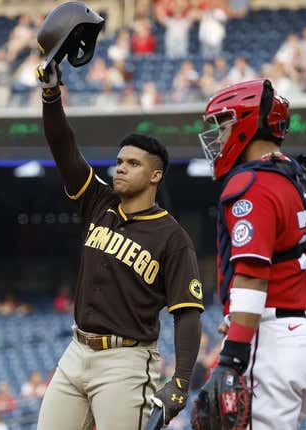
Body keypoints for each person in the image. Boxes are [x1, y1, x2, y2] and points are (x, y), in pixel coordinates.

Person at [34, 59, 204, 429]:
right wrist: (51, 95)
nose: (121, 168)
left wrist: (182, 380)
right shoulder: (99, 201)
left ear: (155, 175)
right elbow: (64, 148)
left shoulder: (172, 238)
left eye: (133, 163)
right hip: (76, 350)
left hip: (126, 362)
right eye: (119, 161)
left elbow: (187, 312)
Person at [191, 79, 306, 429]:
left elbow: (253, 273)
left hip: (271, 341)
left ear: (245, 124)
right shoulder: (305, 181)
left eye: (223, 126)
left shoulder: (251, 182)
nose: (218, 138)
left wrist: (232, 357)